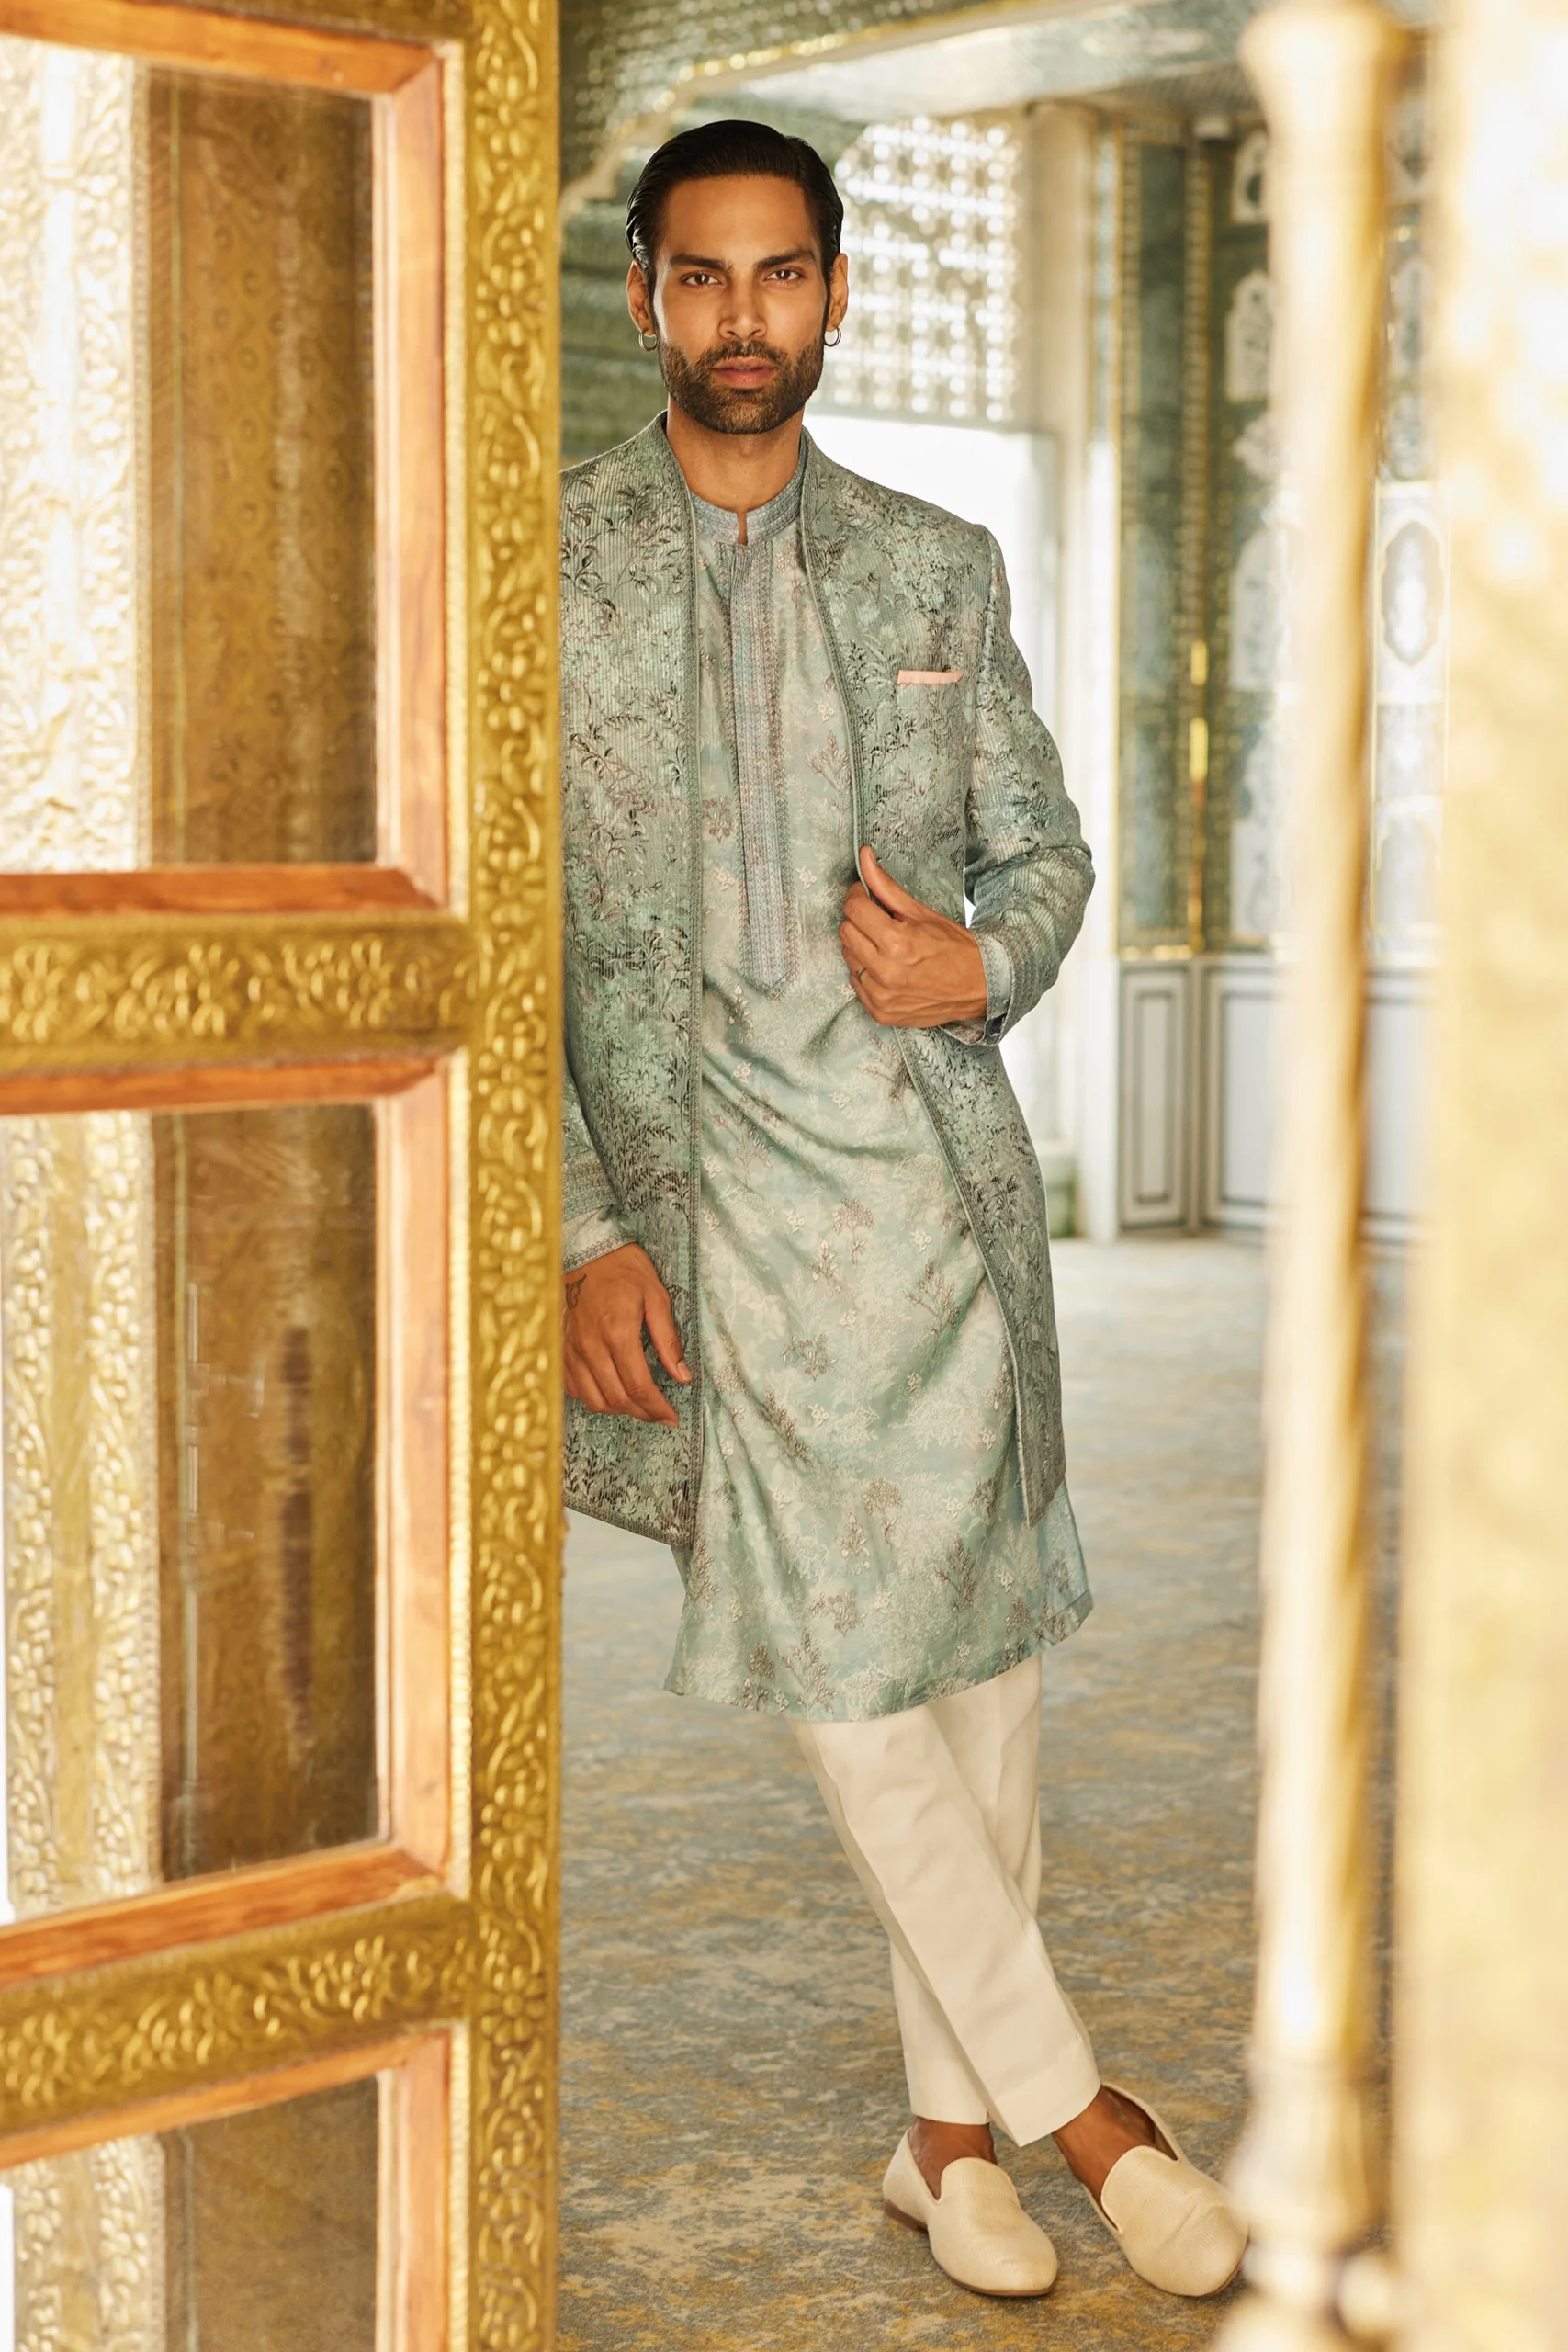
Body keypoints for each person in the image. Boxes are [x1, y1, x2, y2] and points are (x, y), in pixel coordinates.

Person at [558, 117, 1246, 2302]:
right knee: (848, 1678)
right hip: (713, 1217)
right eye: (700, 273)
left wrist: (981, 959)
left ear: (834, 294)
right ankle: (1089, 2113)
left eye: (781, 272)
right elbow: (498, 938)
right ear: (647, 297)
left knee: (975, 1677)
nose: (741, 313)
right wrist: (578, 1227)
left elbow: (1042, 853)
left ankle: (943, 2142)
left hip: (932, 1198)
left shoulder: (937, 567)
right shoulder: (542, 570)